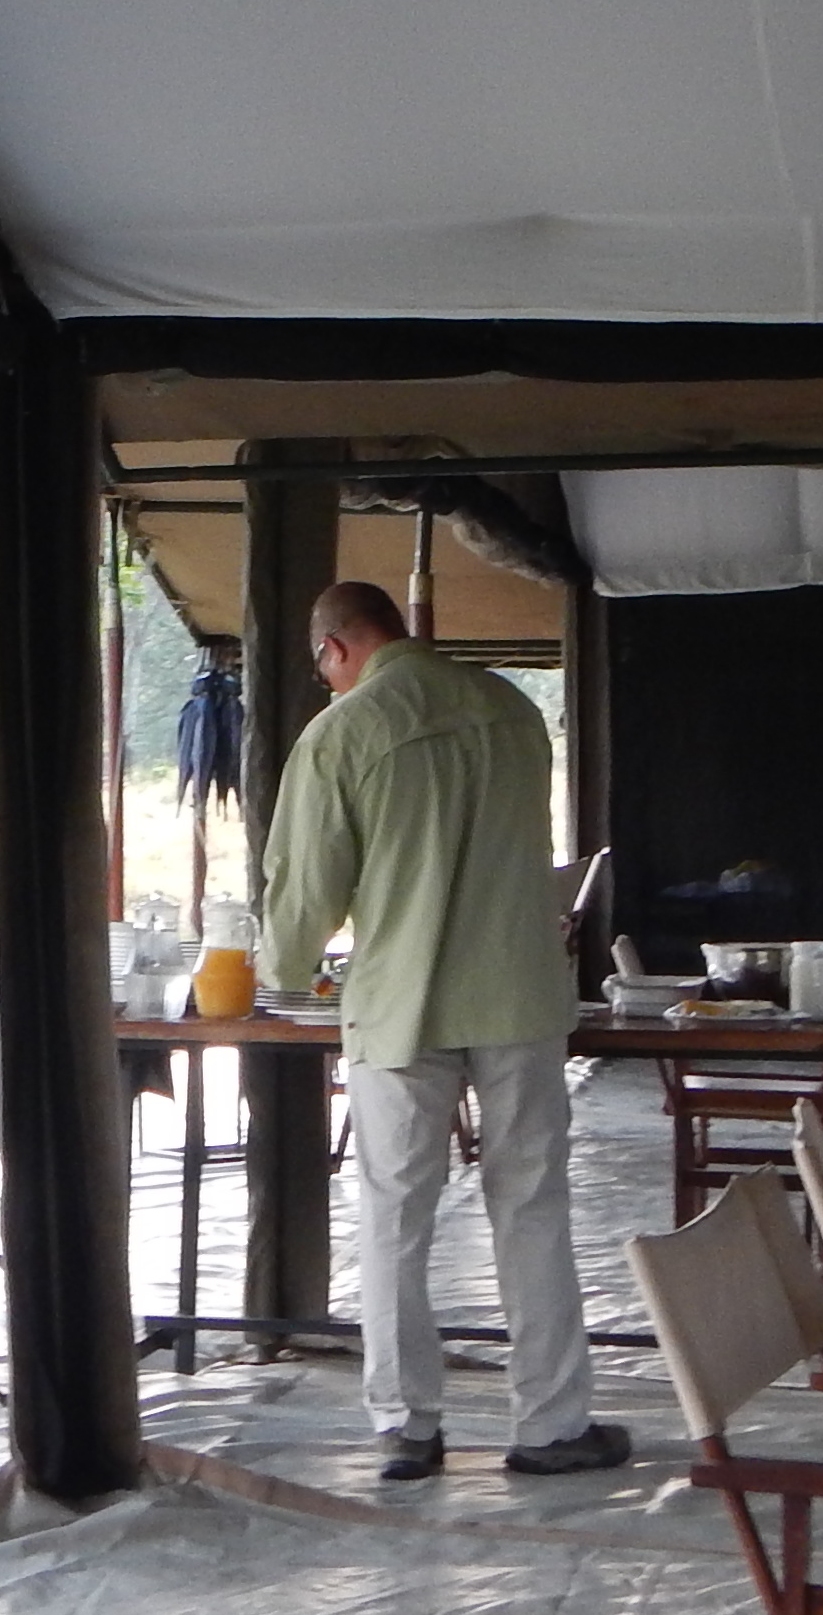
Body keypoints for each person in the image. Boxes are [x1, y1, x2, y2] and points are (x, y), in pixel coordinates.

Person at [257, 579, 617, 1482]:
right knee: (532, 1208)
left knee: (395, 1216)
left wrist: (277, 975)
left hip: (402, 1003)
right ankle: (550, 1426)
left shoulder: (340, 734)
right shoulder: (510, 708)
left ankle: (407, 1426)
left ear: (336, 648)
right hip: (518, 994)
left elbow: (307, 891)